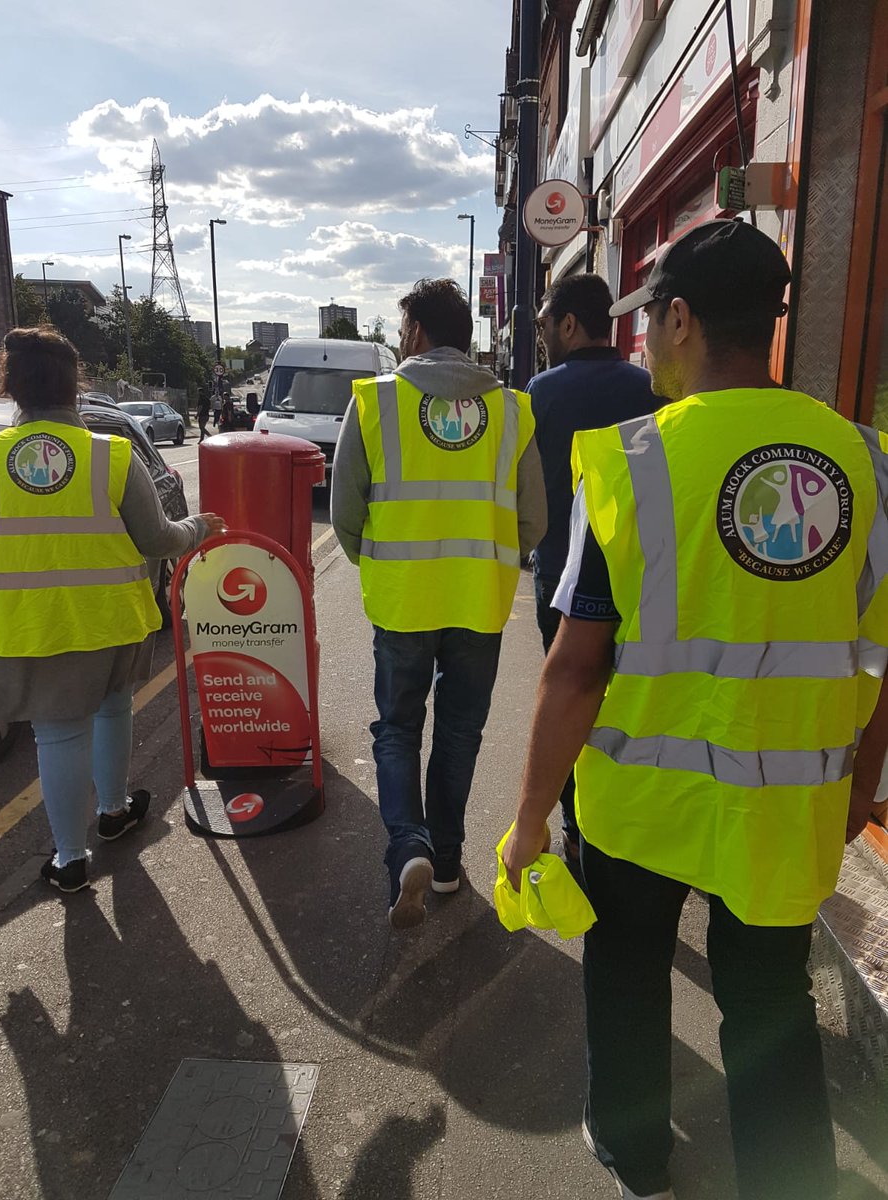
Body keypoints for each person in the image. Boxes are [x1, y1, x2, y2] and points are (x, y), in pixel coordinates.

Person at [502, 219, 888, 1200]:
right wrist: (862, 786)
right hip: (789, 805)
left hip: (641, 805)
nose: (641, 345)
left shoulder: (631, 463)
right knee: (770, 1002)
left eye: (648, 325)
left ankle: (637, 1156)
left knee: (626, 977)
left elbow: (575, 668)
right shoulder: (870, 464)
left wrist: (529, 816)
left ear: (680, 318)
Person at [332, 278, 546, 929]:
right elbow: (533, 520)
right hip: (479, 601)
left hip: (402, 601)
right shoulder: (512, 410)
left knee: (397, 728)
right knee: (459, 732)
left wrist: (383, 566)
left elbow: (345, 512)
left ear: (418, 332)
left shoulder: (376, 403)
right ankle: (447, 862)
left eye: (402, 331)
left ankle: (409, 848)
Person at [0, 327, 226, 893]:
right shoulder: (110, 455)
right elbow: (157, 539)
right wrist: (198, 528)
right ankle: (115, 811)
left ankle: (70, 861)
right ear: (76, 387)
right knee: (114, 710)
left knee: (56, 736)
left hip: (25, 623)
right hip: (109, 617)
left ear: (10, 386)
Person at [529, 273, 658, 866]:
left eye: (544, 325)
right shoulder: (650, 388)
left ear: (570, 325)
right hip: (643, 575)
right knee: (628, 695)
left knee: (570, 690)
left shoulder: (542, 391)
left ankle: (580, 828)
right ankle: (633, 816)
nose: (541, 336)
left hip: (562, 574)